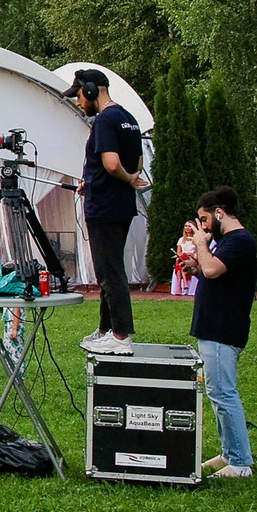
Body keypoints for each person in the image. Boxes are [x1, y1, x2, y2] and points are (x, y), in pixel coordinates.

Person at [72, 68, 148, 357]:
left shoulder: (104, 120)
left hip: (103, 207)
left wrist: (125, 178)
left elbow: (113, 164)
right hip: (119, 204)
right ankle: (105, 330)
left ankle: (120, 335)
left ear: (92, 90)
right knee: (109, 269)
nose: (79, 102)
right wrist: (90, 182)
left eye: (79, 94)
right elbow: (137, 162)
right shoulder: (128, 118)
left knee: (110, 272)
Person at [190, 187, 257, 479]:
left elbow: (214, 271)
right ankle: (229, 453)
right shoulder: (229, 242)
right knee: (217, 392)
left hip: (223, 329)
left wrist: (201, 246)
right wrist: (196, 266)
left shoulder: (239, 240)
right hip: (214, 327)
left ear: (219, 213)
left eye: (204, 220)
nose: (204, 227)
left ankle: (241, 462)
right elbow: (212, 272)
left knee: (223, 393)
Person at [171, 223, 199, 298]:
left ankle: (179, 287)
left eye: (189, 226)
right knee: (180, 259)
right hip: (182, 258)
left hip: (192, 259)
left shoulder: (196, 239)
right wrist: (183, 255)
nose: (187, 228)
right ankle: (183, 284)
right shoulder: (181, 239)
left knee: (180, 260)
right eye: (186, 226)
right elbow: (179, 253)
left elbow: (198, 253)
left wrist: (190, 254)